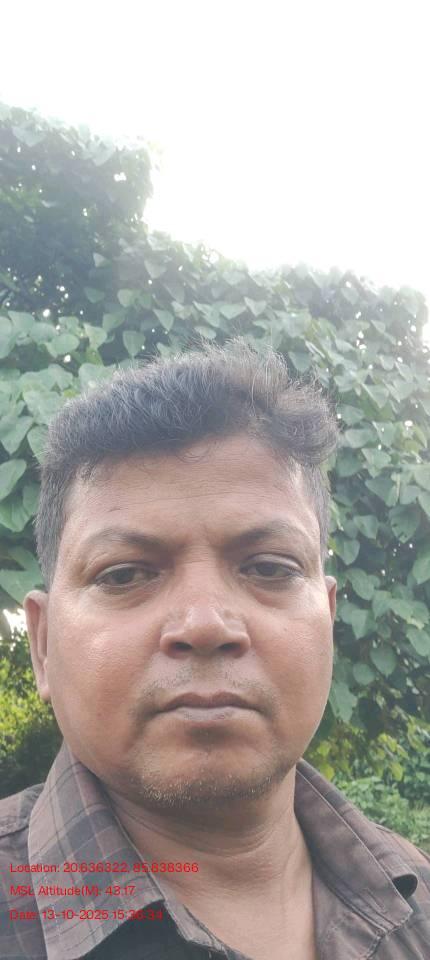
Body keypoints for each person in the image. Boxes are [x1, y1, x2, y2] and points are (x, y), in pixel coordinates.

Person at [1, 337, 429, 960]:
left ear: (329, 622)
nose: (205, 625)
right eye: (124, 574)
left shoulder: (419, 903)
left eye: (270, 567)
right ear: (43, 645)